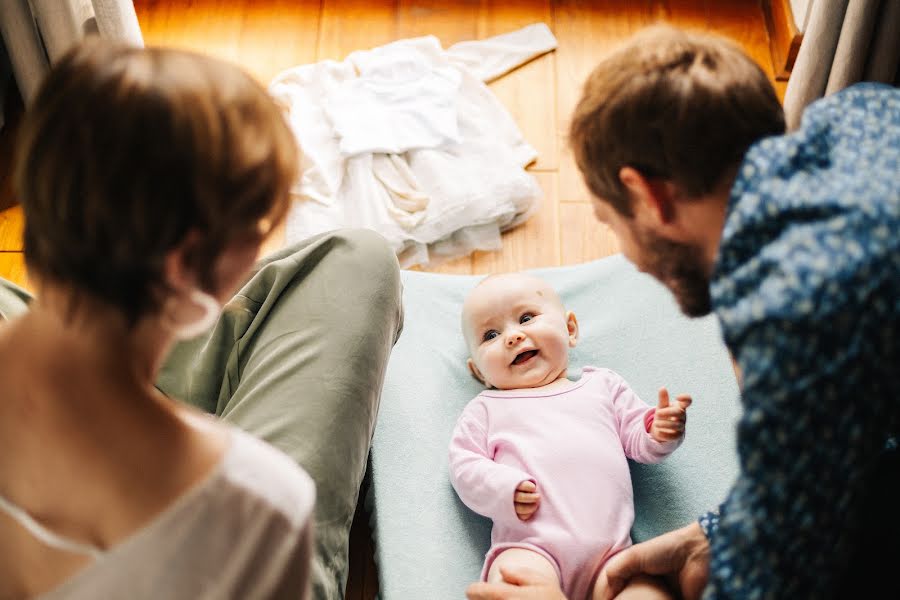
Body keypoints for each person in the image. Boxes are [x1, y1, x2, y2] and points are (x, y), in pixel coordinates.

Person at [467, 25, 899, 600]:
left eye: (610, 223)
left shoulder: (797, 319)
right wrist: (710, 533)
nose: (628, 257)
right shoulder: (865, 110)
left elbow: (780, 565)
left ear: (649, 196)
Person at [0, 41, 403, 599]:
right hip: (196, 536)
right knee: (357, 259)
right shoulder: (257, 504)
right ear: (184, 262)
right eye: (258, 224)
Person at [450, 272, 692, 600]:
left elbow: (640, 436)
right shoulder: (486, 409)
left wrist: (660, 428)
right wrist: (502, 486)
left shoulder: (601, 386)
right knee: (512, 580)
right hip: (531, 549)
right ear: (479, 371)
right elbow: (463, 466)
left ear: (570, 329)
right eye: (490, 334)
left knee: (647, 593)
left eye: (526, 318)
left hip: (614, 555)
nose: (512, 336)